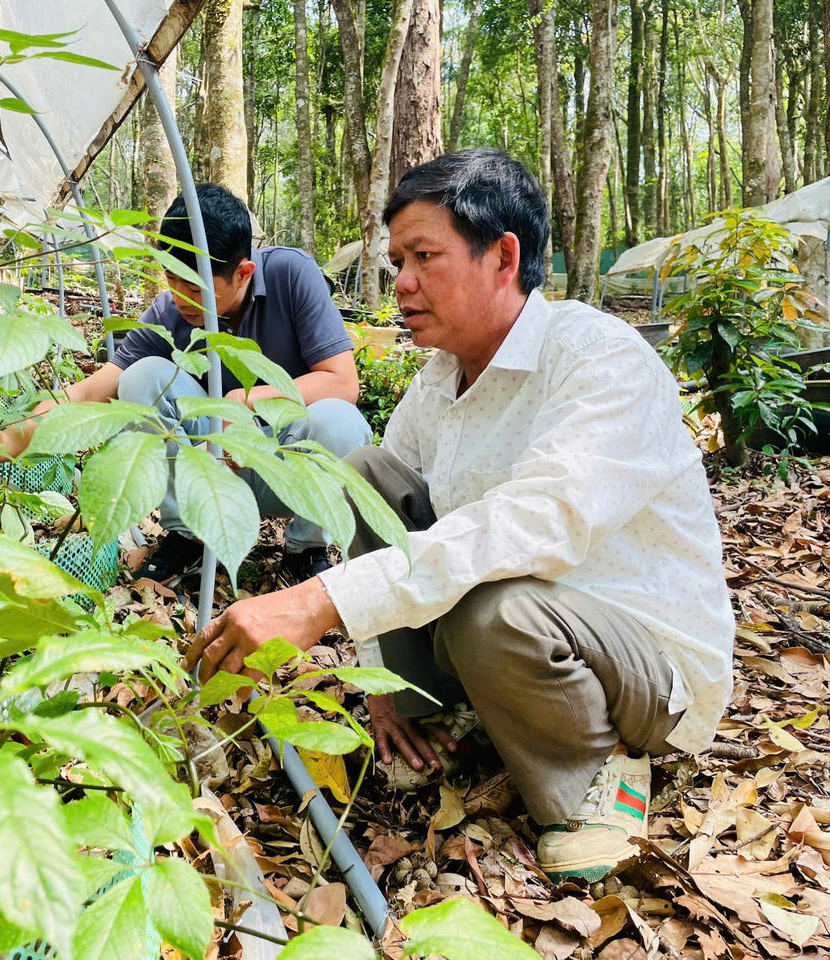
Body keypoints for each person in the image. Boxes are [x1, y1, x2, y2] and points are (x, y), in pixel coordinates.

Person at [184, 149, 735, 884]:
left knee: (492, 609)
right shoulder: (440, 378)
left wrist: (319, 601)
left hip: (645, 670)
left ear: (503, 257)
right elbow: (380, 516)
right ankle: (442, 709)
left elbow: (537, 523)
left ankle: (597, 772)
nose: (402, 283)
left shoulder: (599, 358)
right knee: (365, 475)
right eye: (397, 262)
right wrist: (383, 683)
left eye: (424, 257)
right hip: (521, 635)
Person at [0, 184, 372, 584]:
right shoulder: (169, 313)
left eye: (197, 287)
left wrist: (244, 402)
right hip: (209, 468)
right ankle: (187, 536)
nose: (182, 299)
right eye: (172, 279)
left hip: (285, 464)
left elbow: (343, 382)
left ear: (244, 273)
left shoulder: (292, 274)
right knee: (142, 376)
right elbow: (86, 395)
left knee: (342, 421)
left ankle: (305, 547)